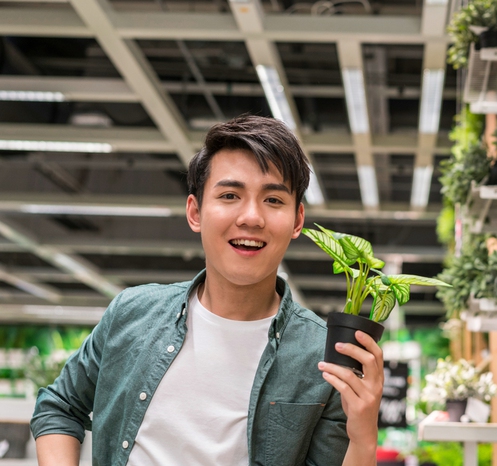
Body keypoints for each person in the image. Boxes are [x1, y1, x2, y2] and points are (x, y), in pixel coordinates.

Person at [30, 115, 384, 466]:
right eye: (230, 195)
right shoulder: (133, 313)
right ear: (195, 212)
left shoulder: (322, 356)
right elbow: (60, 406)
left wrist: (364, 435)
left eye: (273, 200)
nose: (251, 217)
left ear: (297, 220)